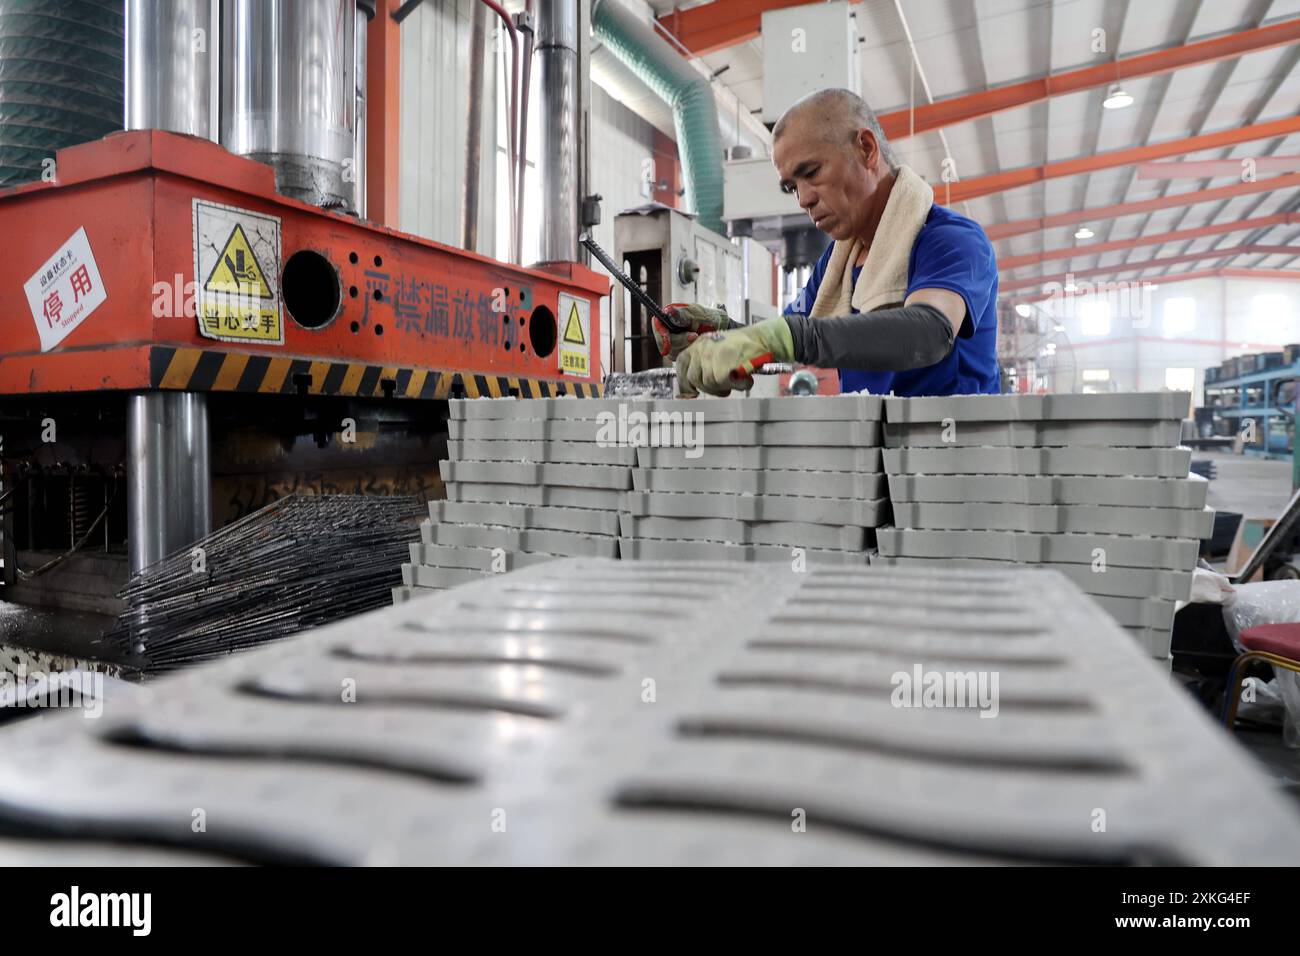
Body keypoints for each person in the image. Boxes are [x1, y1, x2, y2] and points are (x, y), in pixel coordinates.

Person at [655, 87, 1000, 398]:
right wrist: (721, 334)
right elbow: (790, 339)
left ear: (866, 149)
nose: (803, 199)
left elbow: (930, 332)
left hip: (953, 458)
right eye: (792, 187)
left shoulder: (951, 240)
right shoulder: (838, 265)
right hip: (875, 453)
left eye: (812, 173)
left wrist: (777, 338)